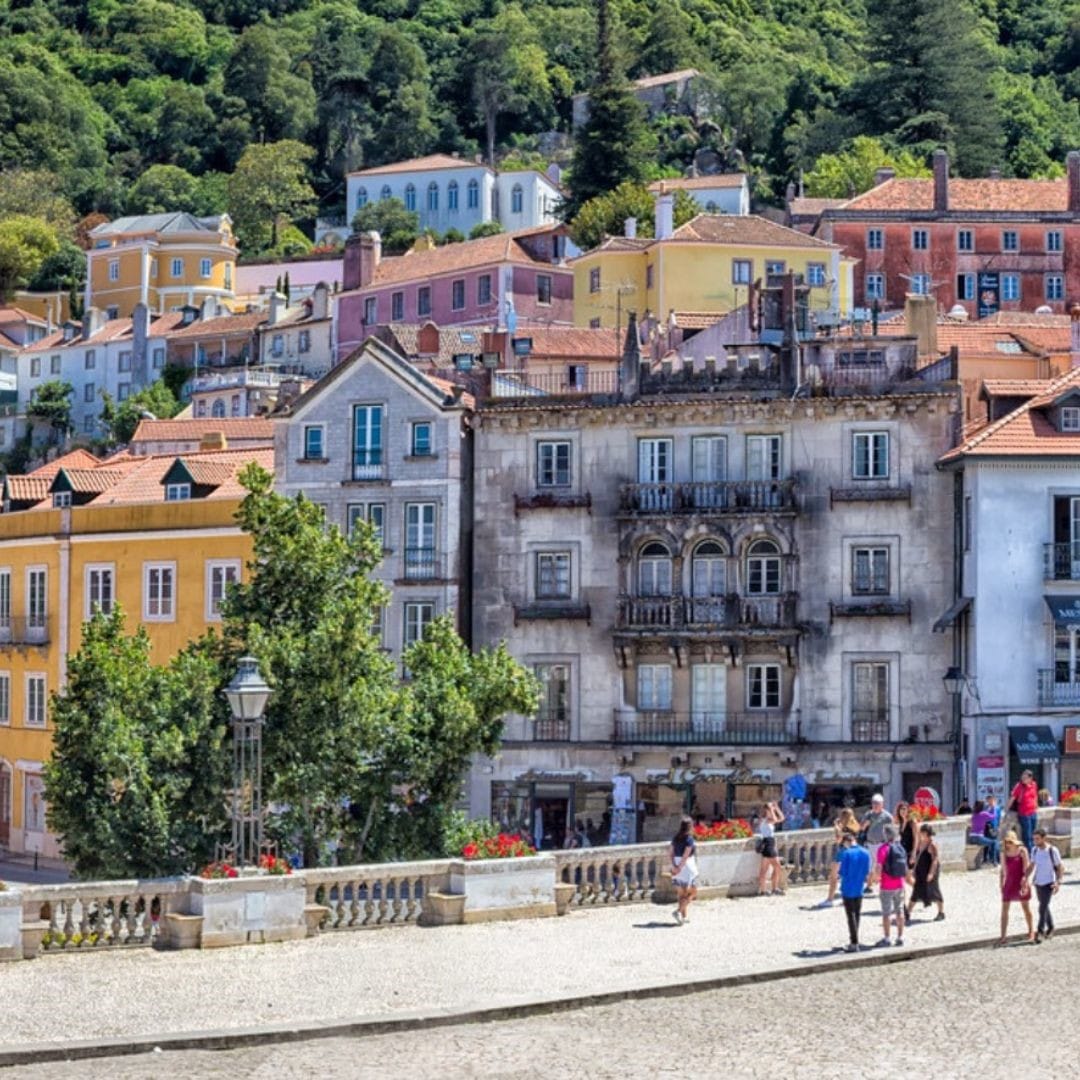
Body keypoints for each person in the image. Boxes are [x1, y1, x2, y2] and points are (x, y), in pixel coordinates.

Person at [834, 832, 872, 952]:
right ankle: (856, 939)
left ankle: (854, 942)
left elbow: (842, 872)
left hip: (848, 887)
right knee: (857, 914)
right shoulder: (865, 852)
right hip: (859, 887)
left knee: (850, 915)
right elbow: (867, 871)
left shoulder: (846, 853)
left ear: (846, 842)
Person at [872, 824, 907, 947]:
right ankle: (901, 937)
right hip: (900, 883)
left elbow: (879, 866)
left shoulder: (882, 849)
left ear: (885, 835)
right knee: (900, 911)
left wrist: (876, 878)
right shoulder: (900, 847)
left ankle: (887, 938)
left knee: (886, 913)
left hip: (887, 885)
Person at [999, 830, 1035, 944]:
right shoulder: (1004, 852)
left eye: (1010, 841)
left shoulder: (1022, 851)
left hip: (1020, 881)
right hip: (1009, 882)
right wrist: (1001, 883)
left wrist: (1025, 882)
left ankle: (1031, 931)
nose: (1008, 844)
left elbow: (1026, 867)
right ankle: (1003, 936)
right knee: (1004, 909)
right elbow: (1002, 870)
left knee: (1026, 908)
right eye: (1007, 841)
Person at [1028, 828, 1063, 942]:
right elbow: (1032, 866)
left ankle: (1040, 931)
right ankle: (1051, 927)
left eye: (1037, 839)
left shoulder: (1052, 851)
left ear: (1044, 838)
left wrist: (1058, 882)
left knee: (1042, 907)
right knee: (1044, 905)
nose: (1035, 841)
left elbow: (1060, 867)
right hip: (1038, 882)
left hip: (1049, 882)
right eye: (1034, 839)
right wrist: (1024, 877)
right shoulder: (1034, 850)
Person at [906, 823, 944, 922]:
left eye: (922, 832)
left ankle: (941, 912)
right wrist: (913, 867)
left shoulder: (932, 845)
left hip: (930, 871)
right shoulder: (921, 843)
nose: (920, 834)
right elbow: (918, 857)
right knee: (916, 890)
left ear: (926, 833)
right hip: (921, 871)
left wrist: (931, 873)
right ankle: (908, 913)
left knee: (934, 890)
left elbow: (935, 860)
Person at [860, 794, 893, 892]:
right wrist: (866, 824)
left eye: (877, 803)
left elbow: (892, 830)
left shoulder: (887, 816)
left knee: (881, 865)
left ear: (882, 804)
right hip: (870, 843)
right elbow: (861, 828)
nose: (875, 805)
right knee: (870, 865)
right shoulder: (868, 814)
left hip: (881, 844)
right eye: (873, 803)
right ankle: (869, 886)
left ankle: (883, 886)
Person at [670, 815, 698, 925]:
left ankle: (683, 917)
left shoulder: (675, 838)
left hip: (676, 865)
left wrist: (674, 866)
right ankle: (678, 912)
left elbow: (670, 853)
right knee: (693, 892)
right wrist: (680, 867)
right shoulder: (689, 839)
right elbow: (686, 855)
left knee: (681, 894)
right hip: (686, 866)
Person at [756, 801, 785, 896]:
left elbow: (782, 818)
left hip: (769, 843)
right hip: (768, 843)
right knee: (777, 867)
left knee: (765, 869)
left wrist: (776, 808)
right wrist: (772, 809)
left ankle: (764, 890)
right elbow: (776, 819)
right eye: (769, 808)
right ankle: (774, 888)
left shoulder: (766, 820)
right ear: (766, 810)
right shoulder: (766, 820)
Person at [1009, 770, 1039, 852]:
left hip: (1033, 812)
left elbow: (1035, 795)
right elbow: (1012, 798)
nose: (1023, 779)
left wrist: (1036, 805)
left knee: (1034, 834)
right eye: (1022, 777)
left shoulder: (1034, 784)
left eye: (1025, 777)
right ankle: (1029, 854)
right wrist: (1006, 809)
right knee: (1027, 835)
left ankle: (1034, 852)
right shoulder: (1019, 786)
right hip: (1024, 814)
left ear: (1030, 778)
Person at [969, 800, 1000, 867]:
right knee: (994, 842)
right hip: (979, 837)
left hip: (971, 837)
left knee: (989, 842)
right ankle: (993, 861)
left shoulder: (974, 814)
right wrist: (993, 807)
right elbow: (994, 816)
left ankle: (987, 859)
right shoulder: (984, 814)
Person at [894, 801, 917, 867]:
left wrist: (914, 853)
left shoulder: (912, 822)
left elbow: (916, 838)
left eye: (904, 809)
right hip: (903, 851)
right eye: (901, 809)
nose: (902, 811)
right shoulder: (901, 822)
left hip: (910, 851)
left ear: (908, 810)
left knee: (909, 874)